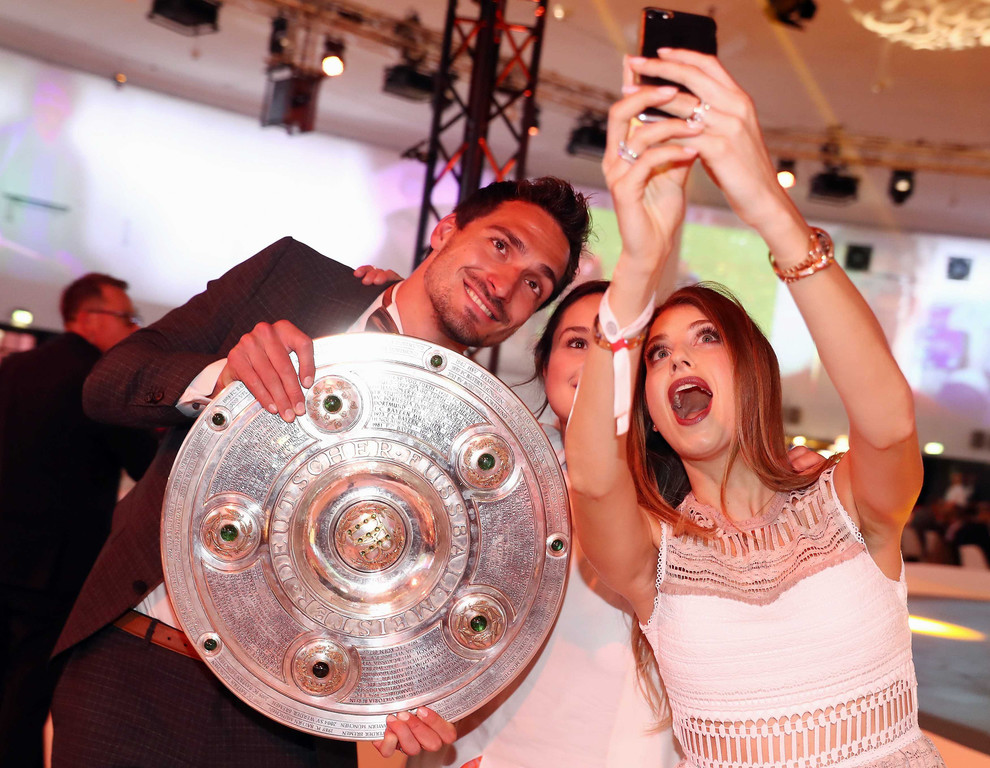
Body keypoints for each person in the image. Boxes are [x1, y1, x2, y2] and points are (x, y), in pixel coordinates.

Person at [49, 176, 591, 767]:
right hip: (137, 666)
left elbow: (428, 614)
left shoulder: (483, 442)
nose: (505, 284)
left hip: (293, 730)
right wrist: (224, 380)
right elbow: (108, 384)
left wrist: (414, 689)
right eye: (501, 245)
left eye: (534, 284)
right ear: (445, 230)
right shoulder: (292, 277)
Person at [565, 51, 944, 768]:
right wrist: (639, 263)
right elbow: (590, 479)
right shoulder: (652, 554)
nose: (678, 360)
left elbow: (889, 422)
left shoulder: (848, 504)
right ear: (649, 410)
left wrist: (768, 204)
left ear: (754, 373)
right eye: (656, 354)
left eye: (707, 338)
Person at [409, 279, 681, 768]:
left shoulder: (685, 501)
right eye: (578, 342)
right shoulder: (492, 481)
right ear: (545, 364)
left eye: (619, 346)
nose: (598, 361)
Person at [0, 273, 158, 768]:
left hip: (6, 554)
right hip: (55, 568)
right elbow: (147, 468)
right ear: (87, 319)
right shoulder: (98, 382)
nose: (135, 330)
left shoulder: (13, 368)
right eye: (127, 318)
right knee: (27, 696)